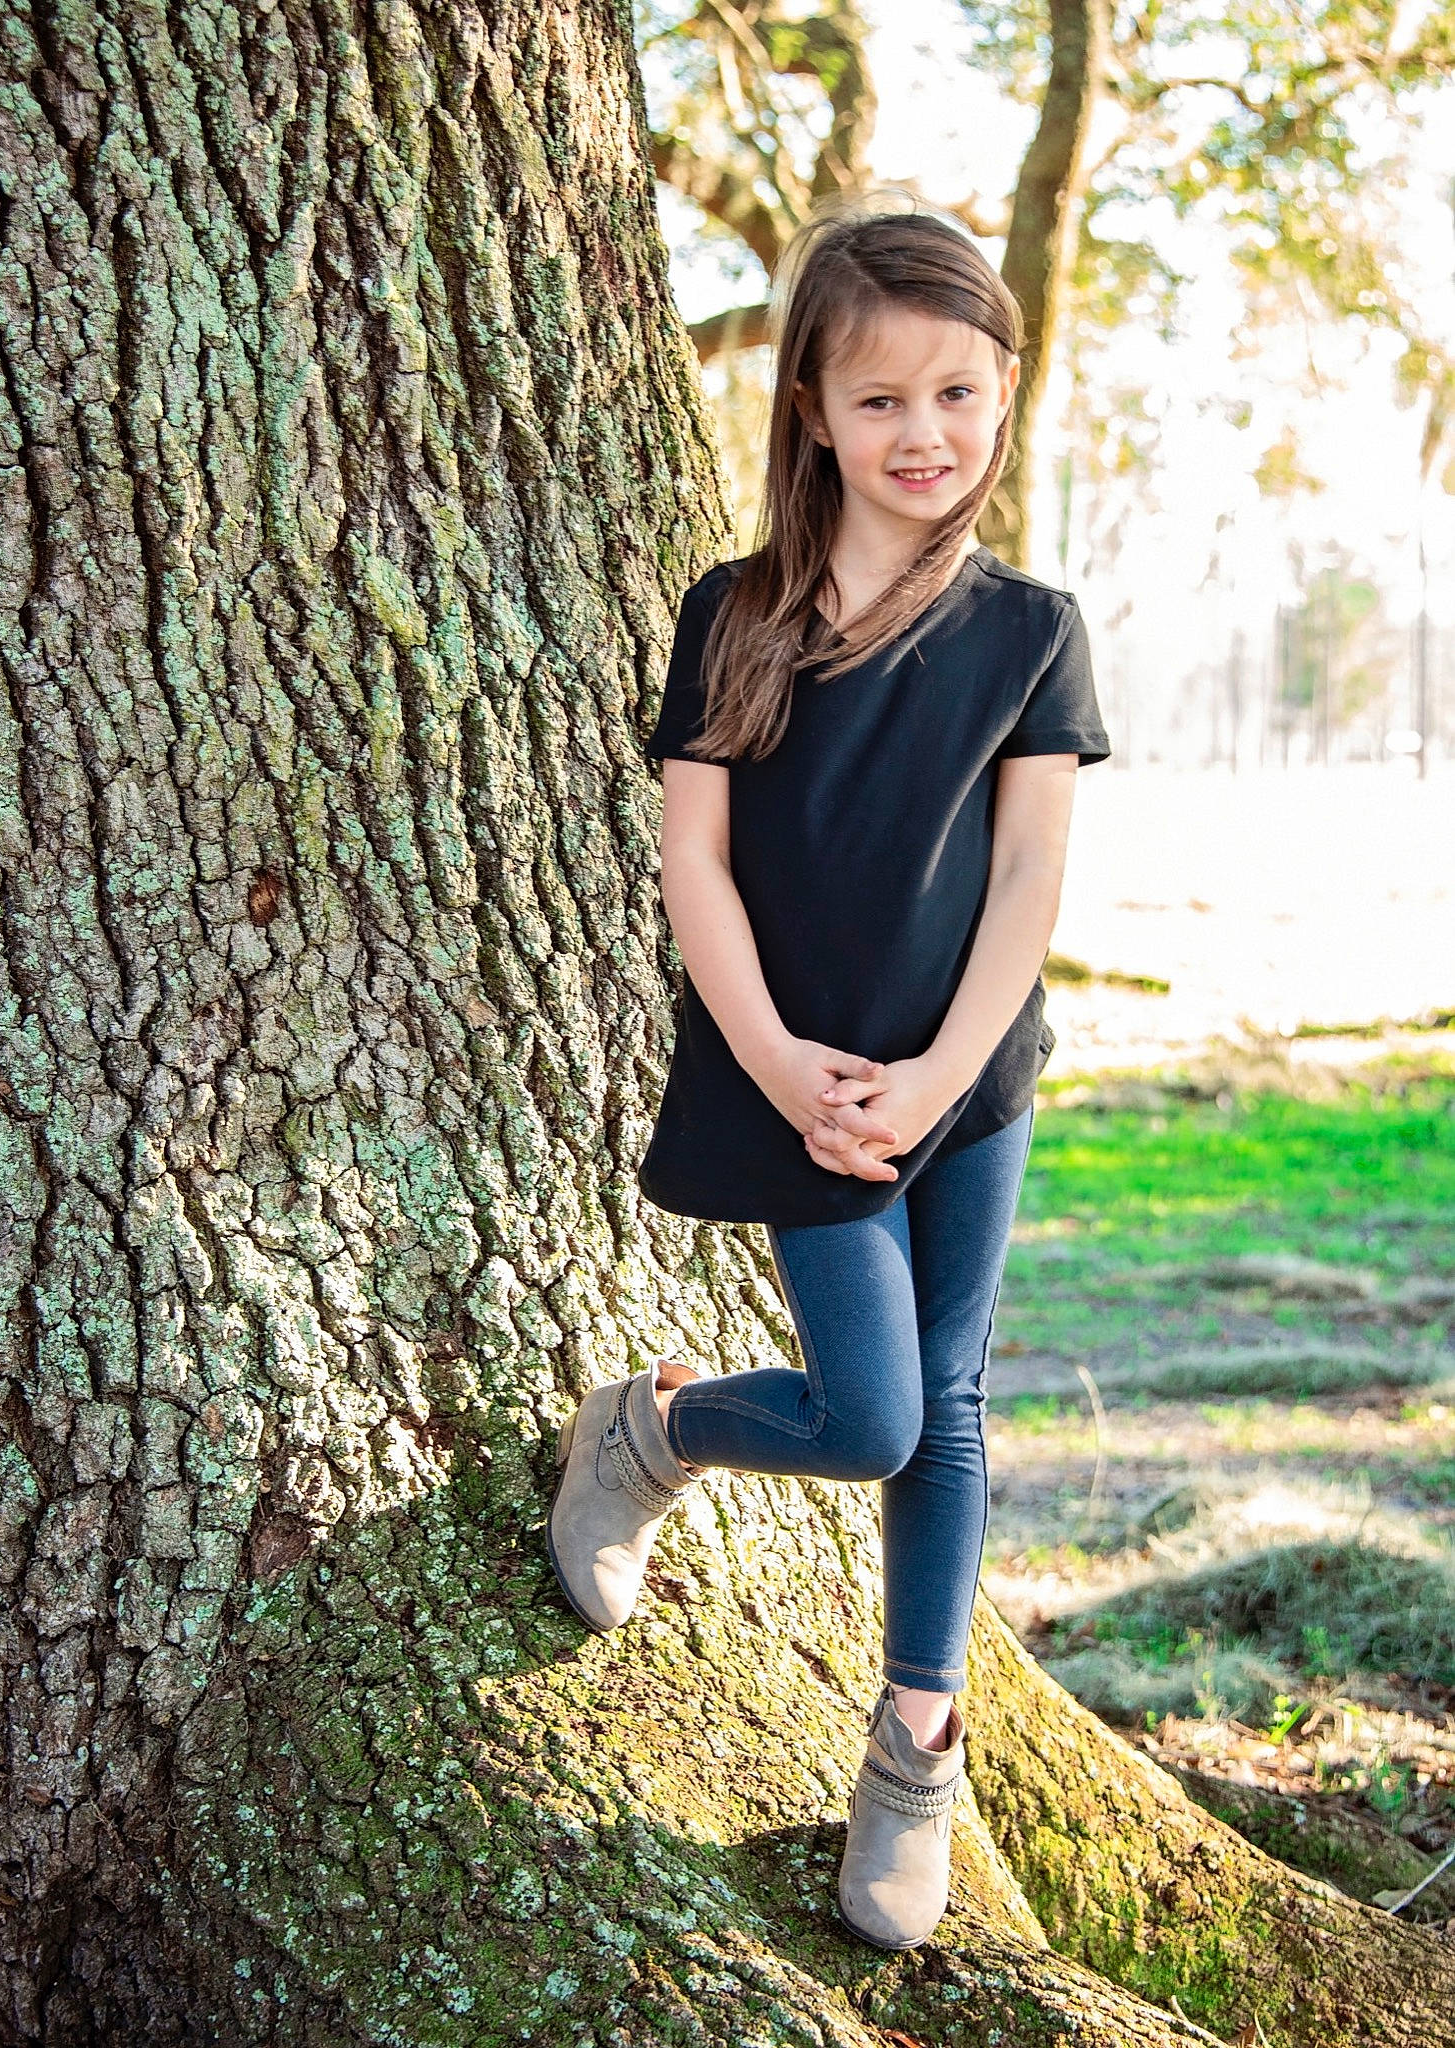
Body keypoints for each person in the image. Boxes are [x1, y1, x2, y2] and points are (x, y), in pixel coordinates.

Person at [545, 190, 1110, 1953]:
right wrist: (786, 1062)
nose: (924, 434)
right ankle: (653, 1429)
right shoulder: (738, 616)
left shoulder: (1032, 629)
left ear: (1004, 392)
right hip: (794, 1082)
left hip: (967, 1085)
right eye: (881, 402)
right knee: (869, 1414)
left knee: (948, 1409)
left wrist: (939, 1077)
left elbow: (1027, 881)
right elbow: (694, 863)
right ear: (810, 409)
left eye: (958, 393)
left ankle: (916, 1748)